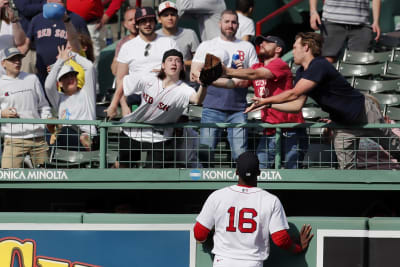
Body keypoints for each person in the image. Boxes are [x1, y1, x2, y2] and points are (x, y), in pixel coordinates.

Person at [234, 32, 400, 169]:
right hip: (342, 125)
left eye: (295, 48)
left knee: (394, 146)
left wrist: (265, 100)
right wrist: (269, 103)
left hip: (364, 113)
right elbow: (296, 105)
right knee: (347, 170)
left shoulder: (319, 65)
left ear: (306, 47)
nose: (293, 52)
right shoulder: (300, 72)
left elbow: (293, 93)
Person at [194, 151, 314, 267]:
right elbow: (280, 239)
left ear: (236, 172)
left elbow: (199, 234)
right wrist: (298, 248)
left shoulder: (218, 196)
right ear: (259, 172)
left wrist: (208, 237)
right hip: (252, 262)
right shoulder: (270, 200)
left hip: (223, 261)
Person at [215, 35, 307, 169]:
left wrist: (227, 70)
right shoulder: (257, 66)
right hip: (269, 129)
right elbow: (235, 83)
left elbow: (253, 74)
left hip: (290, 129)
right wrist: (209, 80)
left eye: (268, 42)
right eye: (260, 42)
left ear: (278, 49)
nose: (262, 44)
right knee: (260, 169)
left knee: (291, 171)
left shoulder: (279, 64)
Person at [117, 49, 208, 168]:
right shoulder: (149, 78)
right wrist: (117, 105)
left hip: (160, 137)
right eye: (170, 60)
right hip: (132, 131)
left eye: (178, 61)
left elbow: (197, 99)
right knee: (122, 168)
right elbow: (123, 82)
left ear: (182, 67)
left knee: (154, 175)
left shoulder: (184, 89)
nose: (174, 63)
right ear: (163, 65)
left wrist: (204, 85)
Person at [191, 9, 258, 166]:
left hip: (238, 109)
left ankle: (240, 186)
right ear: (219, 23)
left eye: (234, 22)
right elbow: (194, 74)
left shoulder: (247, 47)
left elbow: (254, 75)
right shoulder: (208, 45)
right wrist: (233, 78)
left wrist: (240, 72)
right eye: (227, 21)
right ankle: (204, 186)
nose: (230, 25)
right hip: (212, 108)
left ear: (238, 25)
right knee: (205, 153)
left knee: (240, 154)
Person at [106, 6, 178, 119]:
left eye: (150, 20)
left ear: (155, 22)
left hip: (164, 98)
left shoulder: (169, 42)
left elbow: (180, 70)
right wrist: (123, 106)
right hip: (136, 100)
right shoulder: (127, 47)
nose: (147, 24)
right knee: (137, 134)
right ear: (137, 24)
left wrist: (167, 71)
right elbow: (121, 79)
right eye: (143, 21)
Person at [0, 47, 51, 168]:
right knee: (8, 179)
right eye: (13, 59)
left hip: (38, 139)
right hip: (13, 139)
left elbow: (43, 106)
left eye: (19, 58)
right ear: (3, 63)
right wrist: (2, 113)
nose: (17, 61)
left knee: (47, 180)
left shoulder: (32, 79)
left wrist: (47, 121)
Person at [45, 45, 97, 151]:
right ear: (59, 83)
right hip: (65, 138)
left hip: (85, 135)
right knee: (53, 129)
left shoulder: (87, 92)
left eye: (72, 75)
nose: (70, 79)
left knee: (65, 131)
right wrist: (60, 61)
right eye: (66, 77)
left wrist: (71, 55)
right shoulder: (59, 98)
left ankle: (86, 143)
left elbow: (89, 67)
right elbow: (48, 86)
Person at [27, 0, 89, 85]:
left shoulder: (77, 20)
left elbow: (83, 47)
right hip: (43, 76)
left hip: (70, 78)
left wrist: (59, 66)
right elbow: (24, 45)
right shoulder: (36, 20)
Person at [309, 0, 381, 63]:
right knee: (327, 61)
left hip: (361, 24)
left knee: (360, 62)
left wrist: (376, 21)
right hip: (332, 20)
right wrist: (313, 12)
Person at [155, 1, 199, 75]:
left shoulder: (190, 34)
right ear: (159, 19)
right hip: (162, 82)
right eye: (165, 15)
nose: (170, 18)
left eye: (172, 15)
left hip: (187, 82)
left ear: (178, 17)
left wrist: (180, 63)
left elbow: (199, 61)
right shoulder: (154, 36)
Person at [0, 0, 30, 73]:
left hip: (7, 69)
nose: (6, 1)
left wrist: (14, 21)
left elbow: (20, 41)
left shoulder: (9, 23)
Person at [111, 7, 137, 76]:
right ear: (125, 24)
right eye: (130, 20)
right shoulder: (122, 43)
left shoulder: (149, 39)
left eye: (136, 19)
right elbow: (115, 70)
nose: (134, 22)